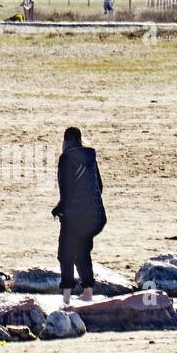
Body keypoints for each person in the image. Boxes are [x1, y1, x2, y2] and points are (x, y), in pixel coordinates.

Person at [52, 127, 107, 308]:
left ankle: (66, 299)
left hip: (76, 215)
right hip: (96, 216)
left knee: (65, 254)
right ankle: (88, 293)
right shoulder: (90, 157)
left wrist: (59, 209)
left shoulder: (66, 158)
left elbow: (66, 189)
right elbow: (100, 185)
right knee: (82, 251)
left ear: (65, 141)